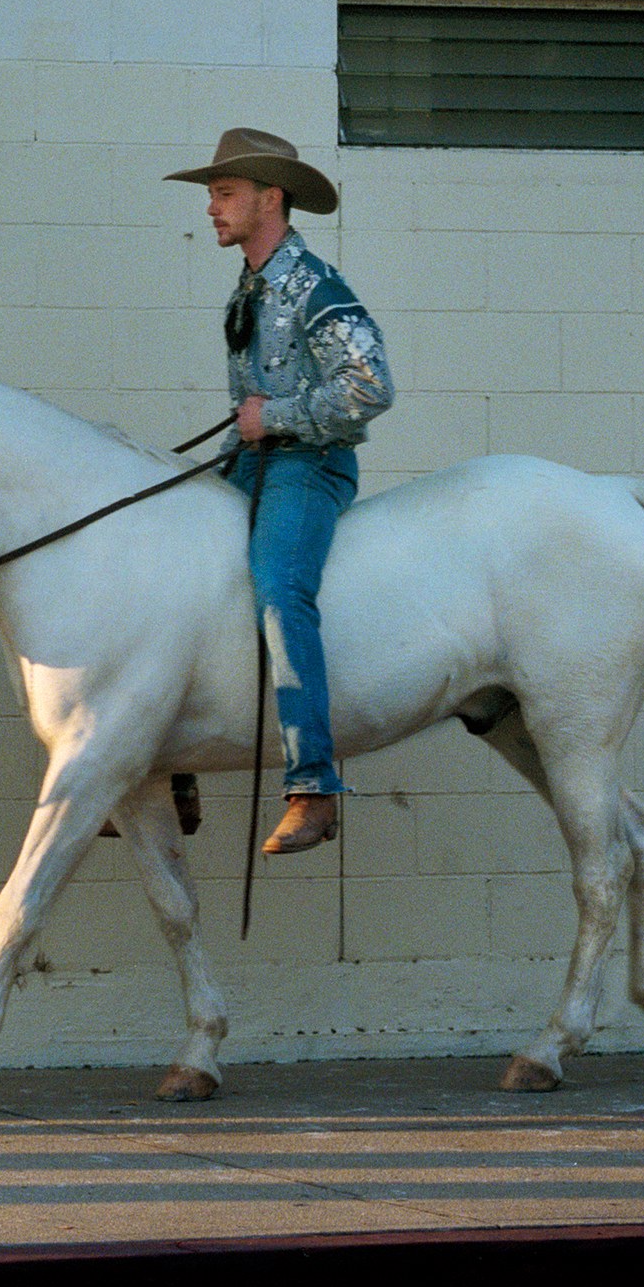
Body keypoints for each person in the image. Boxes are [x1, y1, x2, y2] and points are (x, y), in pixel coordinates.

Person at [166, 124, 395, 857]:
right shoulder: (253, 282)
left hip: (311, 463)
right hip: (257, 458)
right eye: (211, 193)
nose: (211, 207)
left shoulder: (315, 285)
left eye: (224, 192)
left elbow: (372, 386)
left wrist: (278, 417)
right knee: (175, 562)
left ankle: (315, 785)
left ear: (271, 197)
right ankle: (169, 761)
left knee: (278, 585)